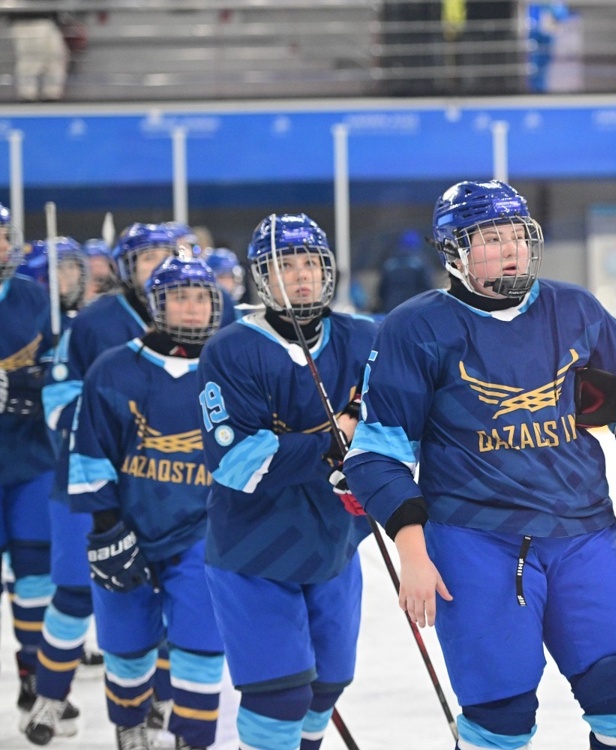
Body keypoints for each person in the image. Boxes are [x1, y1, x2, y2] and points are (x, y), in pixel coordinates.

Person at [342, 180, 616, 749]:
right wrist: (412, 551)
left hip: (584, 534)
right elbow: (378, 451)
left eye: (517, 235)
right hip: (475, 542)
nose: (510, 249)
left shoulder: (574, 307)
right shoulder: (416, 328)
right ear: (453, 251)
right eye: (490, 238)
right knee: (500, 717)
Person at [198, 214, 375, 750]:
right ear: (261, 277)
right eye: (284, 266)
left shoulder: (364, 336)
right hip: (254, 548)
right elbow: (239, 463)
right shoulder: (230, 350)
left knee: (327, 686)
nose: (300, 277)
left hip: (334, 545)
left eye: (310, 264)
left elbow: (395, 417)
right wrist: (334, 435)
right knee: (278, 696)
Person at [39, 223, 204, 741]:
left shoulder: (207, 331)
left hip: (182, 501)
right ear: (127, 265)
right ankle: (48, 694)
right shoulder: (95, 324)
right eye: (147, 255)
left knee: (191, 620)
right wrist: (107, 437)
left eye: (168, 254)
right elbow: (60, 401)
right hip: (101, 484)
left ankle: (164, 704)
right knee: (80, 595)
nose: (158, 263)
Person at [69, 258, 228, 750]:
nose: (193, 307)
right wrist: (106, 526)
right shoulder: (114, 369)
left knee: (203, 645)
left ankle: (193, 739)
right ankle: (130, 726)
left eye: (202, 297)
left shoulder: (230, 366)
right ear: (156, 305)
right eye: (180, 296)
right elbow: (91, 452)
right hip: (127, 529)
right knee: (127, 649)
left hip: (201, 532)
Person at [14, 237, 92, 747]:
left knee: (39, 576)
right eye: (56, 272)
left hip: (50, 467)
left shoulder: (90, 325)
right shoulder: (29, 313)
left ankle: (33, 680)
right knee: (50, 583)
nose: (68, 280)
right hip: (40, 468)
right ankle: (42, 684)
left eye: (73, 270)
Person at [0, 203, 57, 725]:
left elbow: (53, 366)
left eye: (1, 236)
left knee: (37, 573)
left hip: (29, 456)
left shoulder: (35, 296)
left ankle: (33, 675)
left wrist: (40, 380)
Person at [7, 6, 69, 101]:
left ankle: (51, 96)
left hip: (48, 20)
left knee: (56, 57)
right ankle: (27, 97)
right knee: (31, 60)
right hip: (27, 20)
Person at [375, 230, 433, 313]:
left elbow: (382, 290)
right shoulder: (420, 263)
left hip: (391, 308)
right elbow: (427, 288)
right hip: (413, 308)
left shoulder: (390, 263)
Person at [82, 239, 118, 303]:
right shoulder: (78, 293)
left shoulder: (119, 293)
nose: (97, 269)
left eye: (101, 263)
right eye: (92, 264)